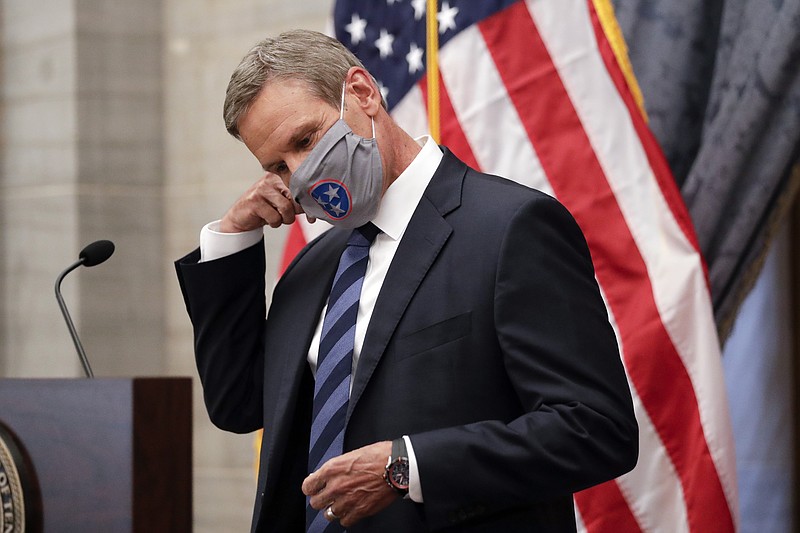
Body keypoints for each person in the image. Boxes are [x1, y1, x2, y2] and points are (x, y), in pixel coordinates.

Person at [175, 29, 638, 533]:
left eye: (305, 141)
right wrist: (232, 240)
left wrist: (408, 467)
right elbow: (240, 405)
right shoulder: (311, 267)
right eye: (277, 167)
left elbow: (595, 428)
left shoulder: (510, 228)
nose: (300, 174)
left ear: (362, 93)